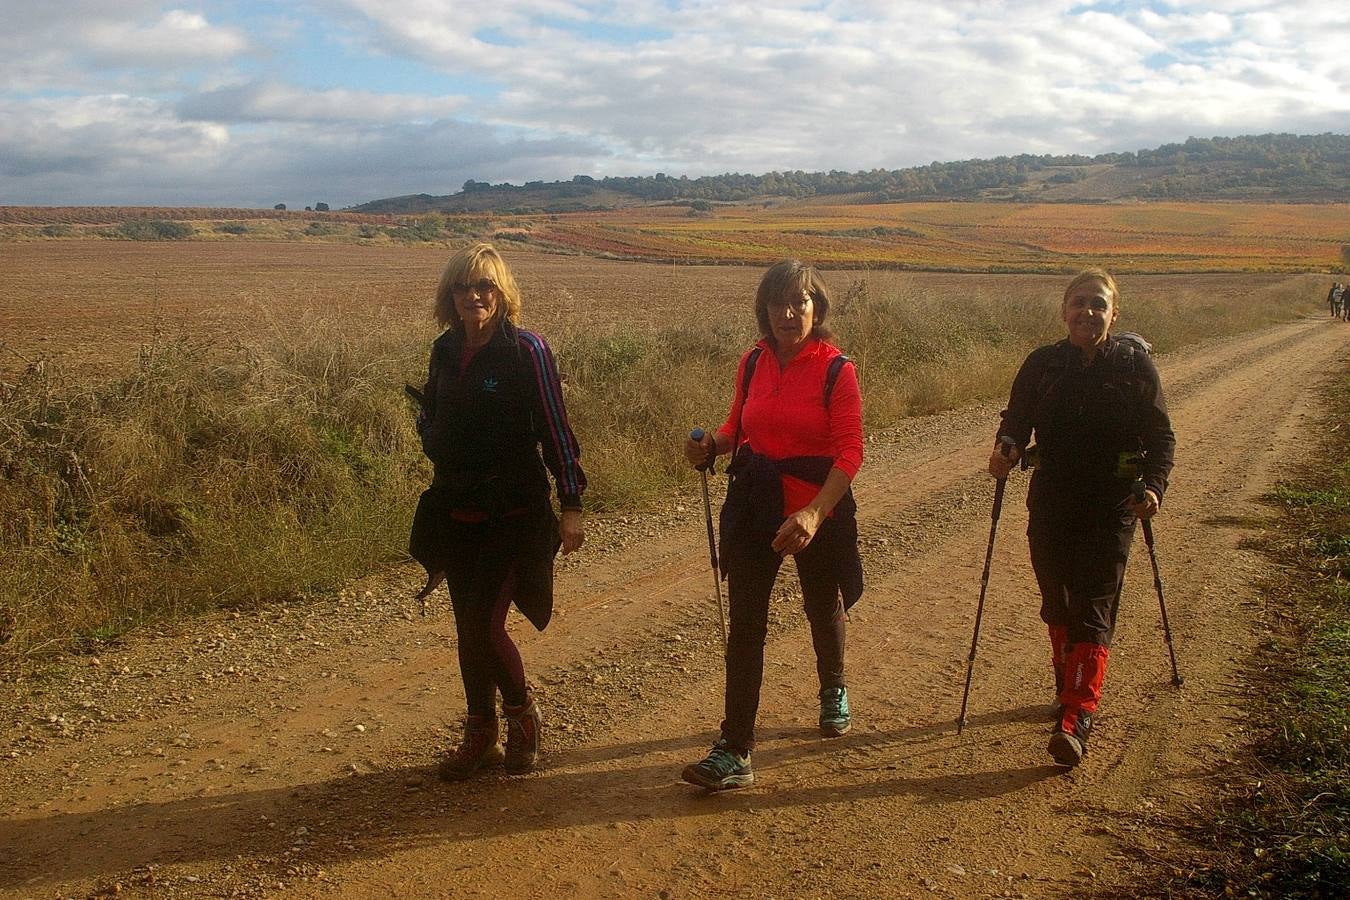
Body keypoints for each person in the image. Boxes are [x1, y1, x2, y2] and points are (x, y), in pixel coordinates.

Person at [681, 259, 864, 791]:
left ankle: (833, 686)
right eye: (778, 303)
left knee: (819, 601)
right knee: (746, 626)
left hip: (816, 507)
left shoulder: (836, 369)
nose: (788, 313)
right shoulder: (753, 362)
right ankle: (735, 748)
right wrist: (709, 445)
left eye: (799, 302)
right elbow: (737, 426)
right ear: (764, 309)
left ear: (817, 307)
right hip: (756, 502)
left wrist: (813, 512)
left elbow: (851, 451)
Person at [408, 242, 585, 781]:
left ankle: (521, 718)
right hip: (457, 508)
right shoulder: (444, 349)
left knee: (486, 624)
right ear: (450, 295)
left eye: (484, 286)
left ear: (502, 292)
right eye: (463, 287)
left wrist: (571, 500)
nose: (473, 296)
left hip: (515, 511)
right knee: (467, 627)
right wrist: (431, 433)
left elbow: (555, 427)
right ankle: (480, 731)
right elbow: (433, 412)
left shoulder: (526, 351)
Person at [988, 268, 1175, 768]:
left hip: (1112, 503)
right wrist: (1006, 448)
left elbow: (1161, 438)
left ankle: (1076, 716)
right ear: (1063, 310)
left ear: (1115, 314)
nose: (1087, 313)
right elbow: (1017, 418)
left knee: (1094, 602)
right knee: (1057, 597)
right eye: (1079, 303)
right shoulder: (1043, 365)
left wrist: (1153, 487)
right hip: (1051, 497)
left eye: (1098, 305)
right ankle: (1067, 680)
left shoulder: (1134, 366)